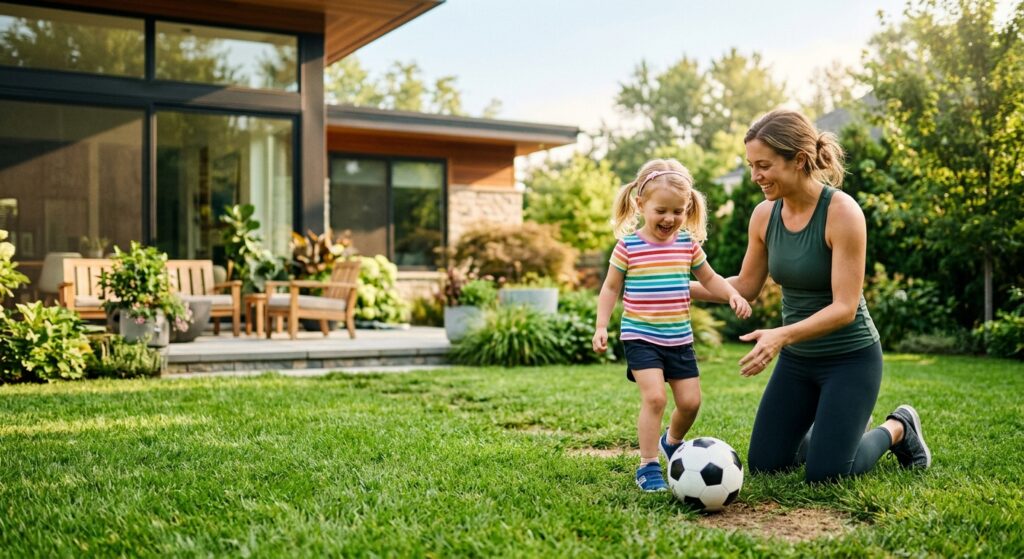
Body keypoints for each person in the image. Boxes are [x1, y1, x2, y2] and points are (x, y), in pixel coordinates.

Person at [691, 109, 931, 483]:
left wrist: (780, 335)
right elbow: (745, 287)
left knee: (828, 473)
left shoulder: (842, 212)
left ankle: (898, 427)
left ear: (799, 160)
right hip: (799, 364)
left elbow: (845, 308)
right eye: (751, 165)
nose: (755, 176)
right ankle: (840, 426)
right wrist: (675, 290)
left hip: (850, 360)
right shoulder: (764, 216)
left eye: (764, 165)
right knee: (768, 464)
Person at [592, 158, 752, 492]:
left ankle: (672, 441)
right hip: (641, 337)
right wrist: (601, 326)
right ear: (641, 204)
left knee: (691, 402)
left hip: (679, 338)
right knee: (655, 399)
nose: (670, 219)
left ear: (688, 208)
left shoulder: (687, 245)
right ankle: (648, 465)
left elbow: (710, 279)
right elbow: (610, 288)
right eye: (661, 210)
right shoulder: (628, 246)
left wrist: (732, 295)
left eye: (678, 211)